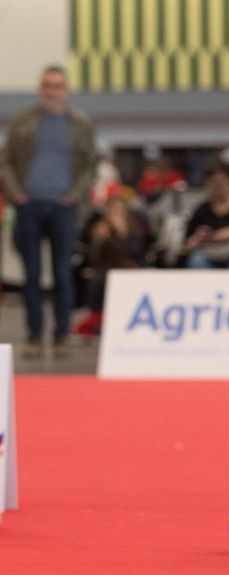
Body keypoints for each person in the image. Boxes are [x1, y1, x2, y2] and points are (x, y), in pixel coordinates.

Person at [0, 65, 96, 358]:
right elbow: (6, 162)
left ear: (66, 90)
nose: (51, 91)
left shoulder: (80, 124)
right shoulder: (24, 122)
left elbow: (89, 166)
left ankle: (62, 335)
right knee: (31, 275)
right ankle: (33, 335)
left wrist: (75, 196)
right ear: (40, 88)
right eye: (46, 85)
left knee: (62, 274)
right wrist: (16, 193)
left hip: (63, 207)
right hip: (29, 205)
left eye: (57, 85)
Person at [75, 195, 146, 336]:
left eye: (120, 210)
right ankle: (98, 316)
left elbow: (137, 253)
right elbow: (93, 257)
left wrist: (122, 234)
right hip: (104, 268)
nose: (116, 214)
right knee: (99, 279)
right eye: (113, 210)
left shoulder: (133, 229)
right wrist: (98, 239)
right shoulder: (99, 227)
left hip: (127, 267)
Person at [182, 159, 229, 269]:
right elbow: (187, 244)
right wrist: (199, 237)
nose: (218, 186)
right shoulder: (202, 210)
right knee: (197, 261)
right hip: (211, 253)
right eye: (213, 182)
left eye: (222, 181)